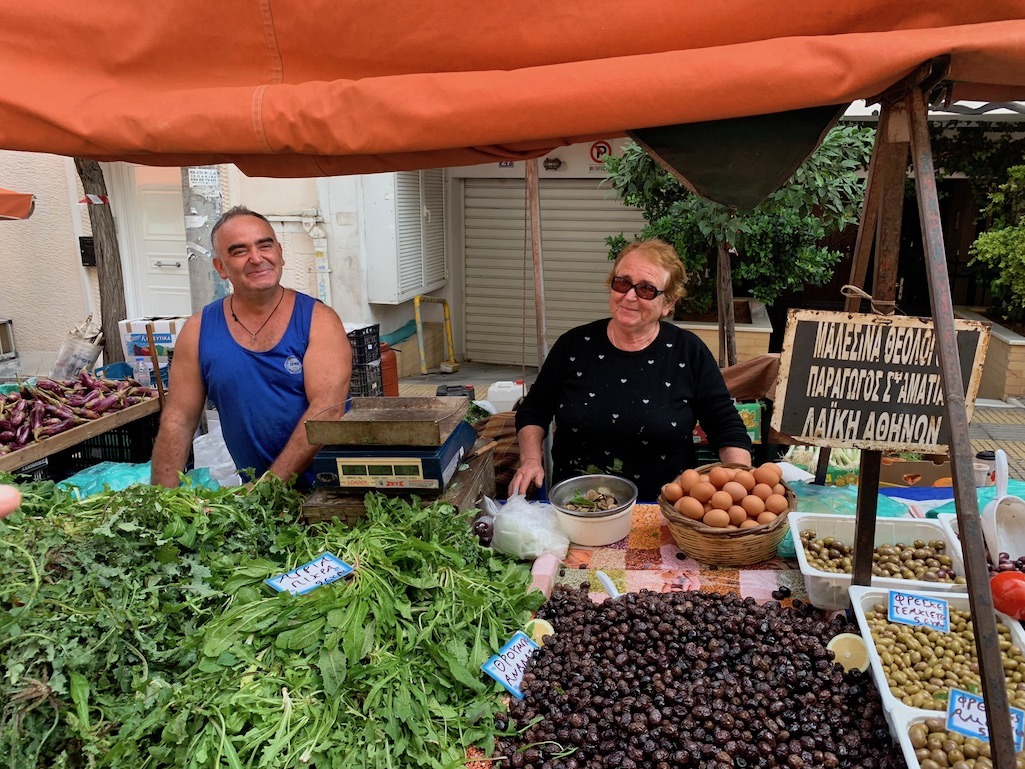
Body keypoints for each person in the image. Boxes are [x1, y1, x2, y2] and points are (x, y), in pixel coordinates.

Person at [510, 238, 752, 501]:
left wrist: (742, 481)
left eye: (647, 289)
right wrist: (531, 460)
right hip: (578, 505)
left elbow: (725, 426)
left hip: (666, 509)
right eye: (622, 282)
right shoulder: (574, 345)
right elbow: (534, 409)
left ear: (668, 303)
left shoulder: (688, 352)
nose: (629, 296)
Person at [151, 206, 351, 487]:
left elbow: (327, 411)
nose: (256, 259)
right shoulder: (198, 331)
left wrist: (268, 488)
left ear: (280, 253)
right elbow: (179, 418)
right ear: (221, 267)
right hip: (257, 499)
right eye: (239, 251)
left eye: (264, 245)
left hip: (330, 492)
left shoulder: (318, 321)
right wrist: (161, 497)